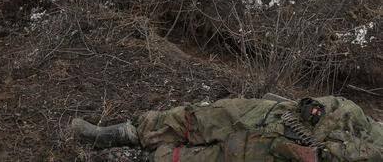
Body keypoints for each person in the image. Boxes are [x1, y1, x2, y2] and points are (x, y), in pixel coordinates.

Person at [72, 96, 383, 161]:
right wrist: (316, 106)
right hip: (276, 117)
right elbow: (343, 106)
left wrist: (325, 155)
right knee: (201, 118)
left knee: (199, 160)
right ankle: (118, 134)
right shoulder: (372, 126)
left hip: (276, 156)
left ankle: (127, 157)